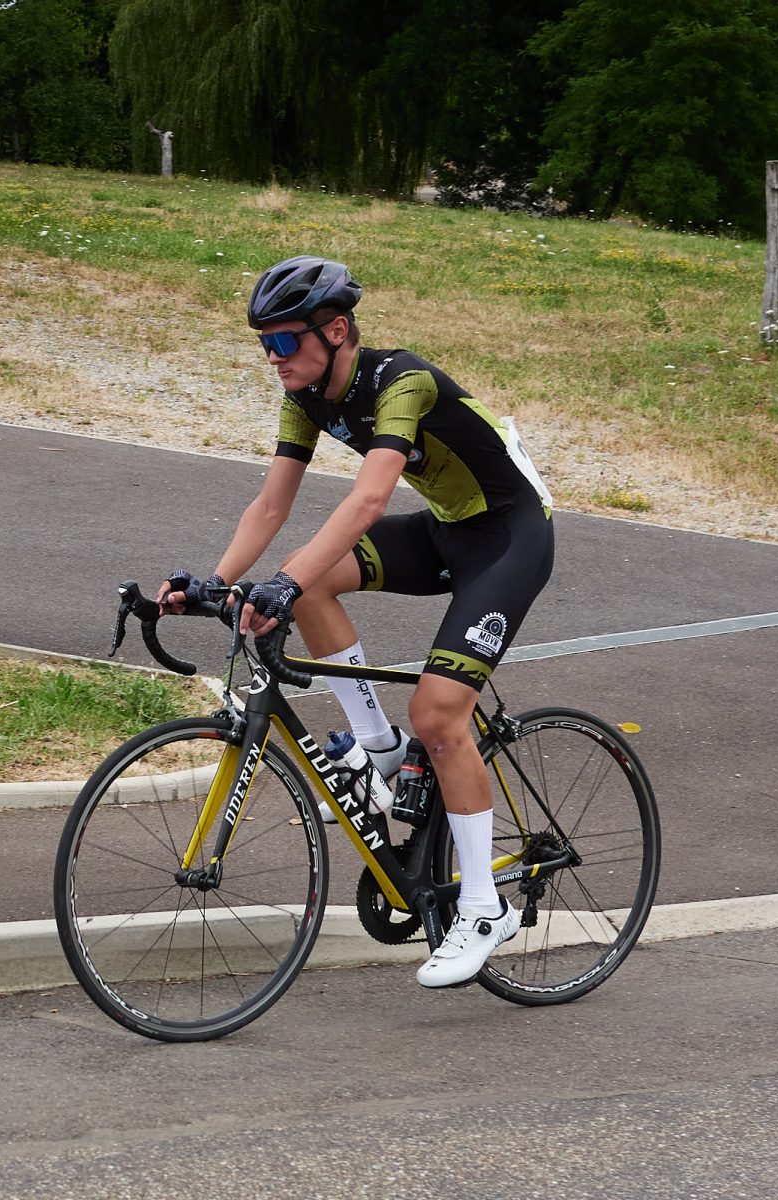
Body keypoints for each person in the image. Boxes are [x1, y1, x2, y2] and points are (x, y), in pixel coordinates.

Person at [159, 254, 555, 988]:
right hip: (446, 532)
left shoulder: (402, 381)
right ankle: (379, 749)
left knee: (439, 715)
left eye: (284, 341)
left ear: (336, 330)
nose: (273, 358)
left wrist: (283, 582)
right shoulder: (305, 395)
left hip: (509, 539)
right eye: (264, 345)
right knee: (308, 586)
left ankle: (483, 907)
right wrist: (216, 582)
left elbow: (370, 499)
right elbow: (271, 505)